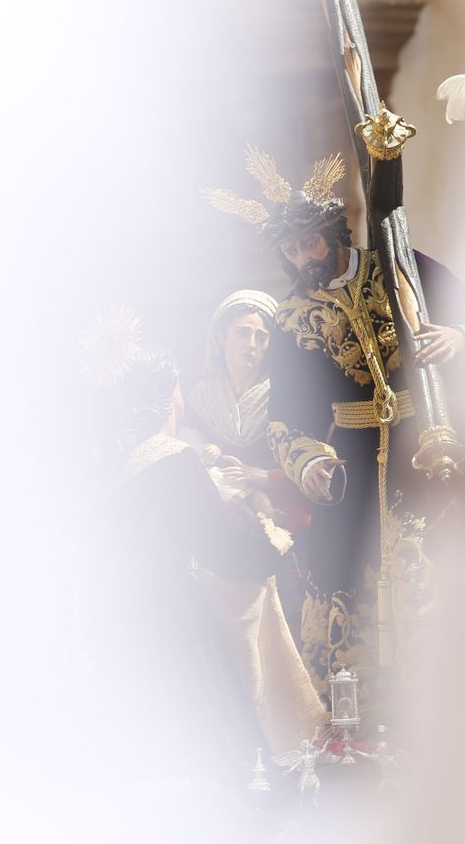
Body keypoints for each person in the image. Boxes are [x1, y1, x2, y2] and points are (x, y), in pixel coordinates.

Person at [205, 149, 465, 701]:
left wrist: (462, 336)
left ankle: (448, 699)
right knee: (346, 575)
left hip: (423, 440)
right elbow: (286, 418)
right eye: (290, 248)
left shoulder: (398, 267)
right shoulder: (291, 316)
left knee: (433, 563)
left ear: (335, 233)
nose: (303, 257)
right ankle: (367, 712)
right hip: (350, 461)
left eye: (310, 242)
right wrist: (307, 462)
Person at [76, 309, 325, 778]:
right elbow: (225, 544)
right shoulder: (172, 457)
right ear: (167, 396)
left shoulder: (111, 463)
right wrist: (268, 537)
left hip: (118, 615)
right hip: (172, 615)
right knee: (215, 750)